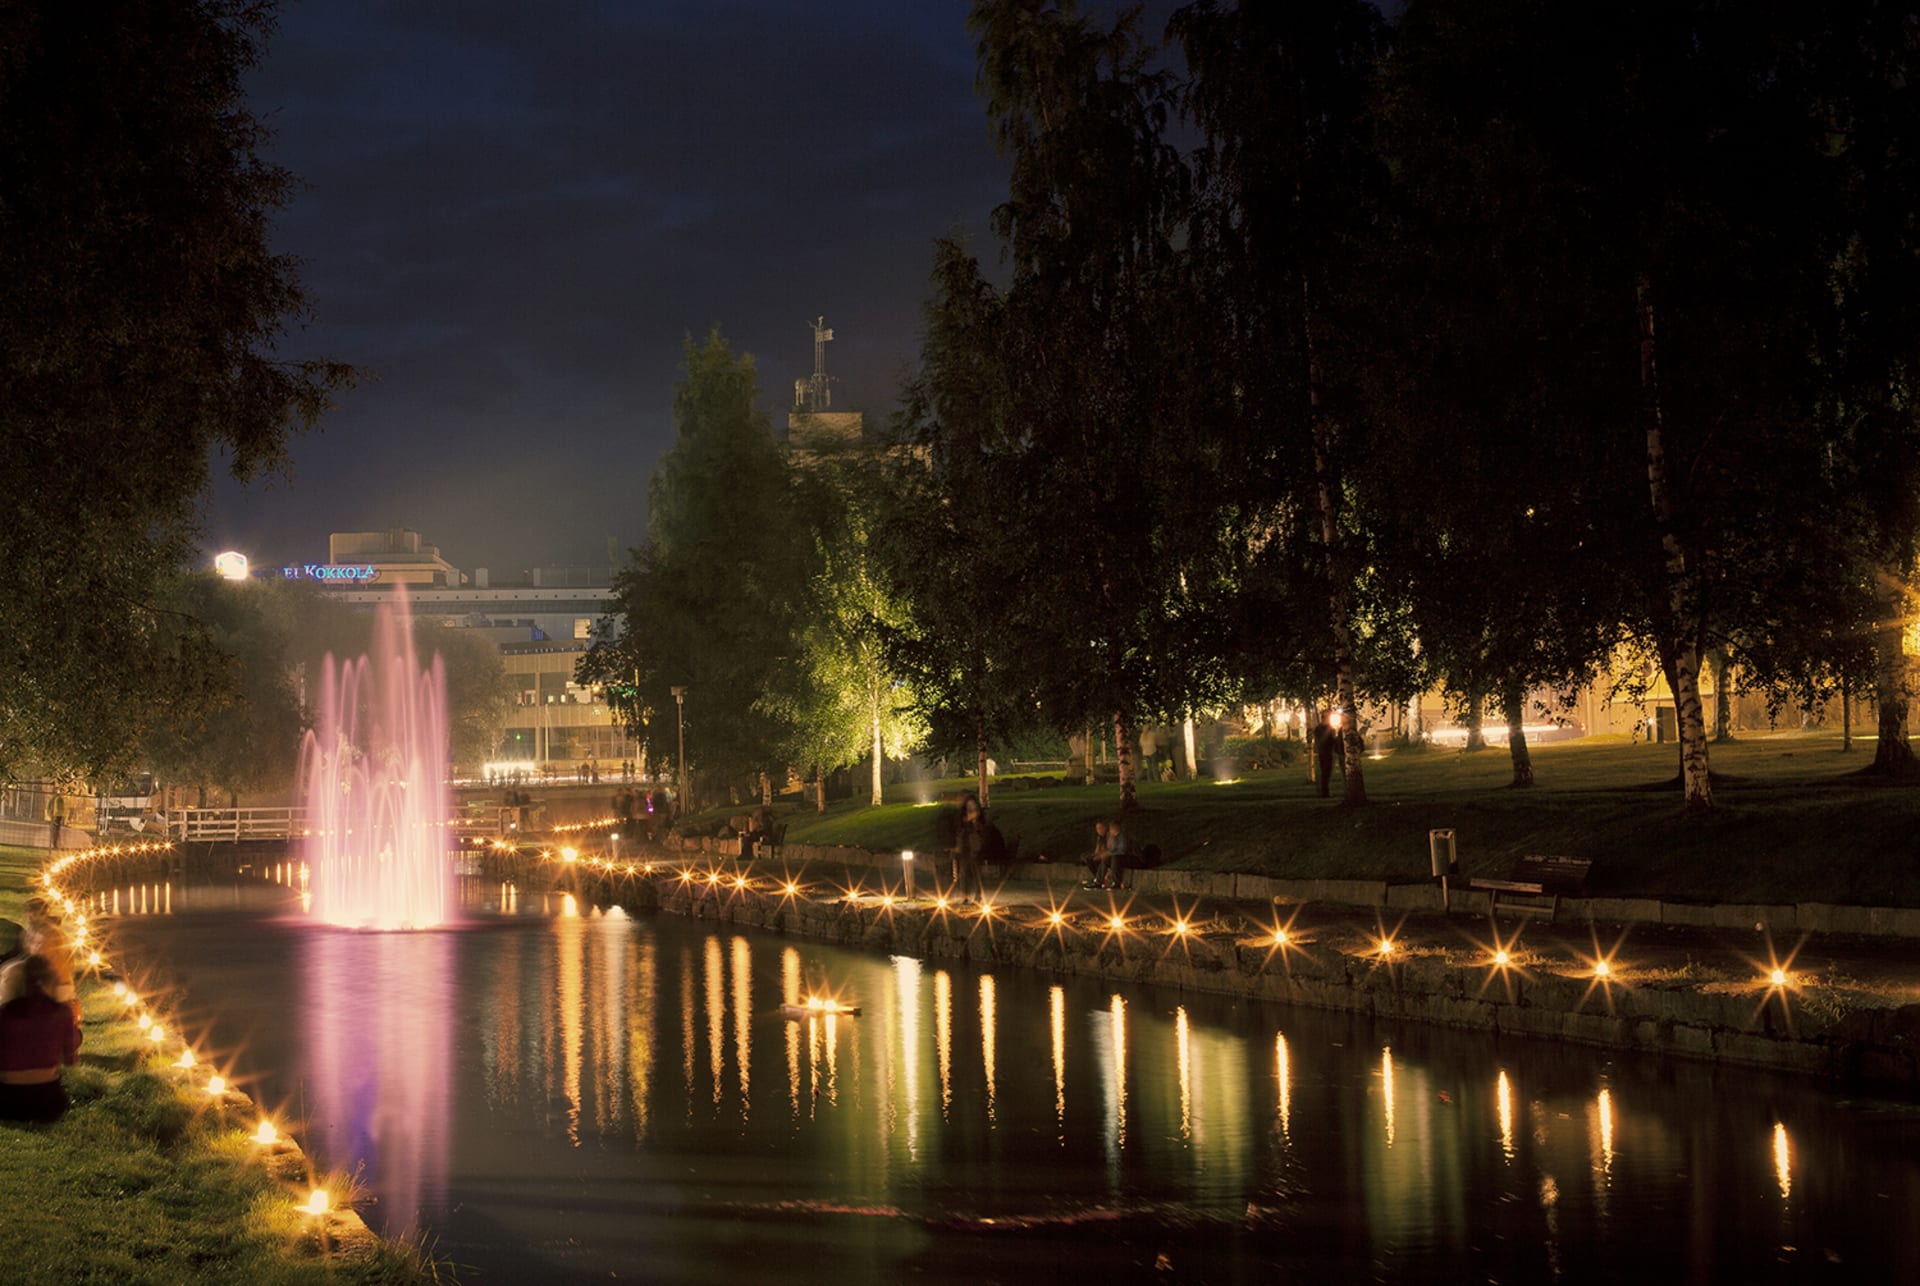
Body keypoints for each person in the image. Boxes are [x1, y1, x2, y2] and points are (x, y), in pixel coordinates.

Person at [0, 955, 82, 1123]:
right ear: (51, 981)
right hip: (49, 1103)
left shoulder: (5, 1014)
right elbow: (71, 1060)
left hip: (7, 1102)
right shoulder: (62, 1012)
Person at [950, 795, 987, 902]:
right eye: (968, 805)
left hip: (977, 848)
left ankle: (978, 896)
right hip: (965, 848)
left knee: (977, 874)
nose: (971, 807)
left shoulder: (980, 818)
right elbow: (959, 831)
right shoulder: (962, 818)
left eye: (972, 805)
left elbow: (984, 830)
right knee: (964, 873)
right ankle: (965, 896)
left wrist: (975, 821)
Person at [1100, 820, 1131, 889]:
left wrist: (1110, 853)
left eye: (1110, 829)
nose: (1110, 831)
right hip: (1119, 856)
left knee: (1115, 858)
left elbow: (1122, 851)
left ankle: (1116, 882)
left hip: (1129, 857)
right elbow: (1112, 849)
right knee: (1105, 859)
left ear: (1114, 828)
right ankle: (1099, 881)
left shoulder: (1122, 837)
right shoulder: (1115, 837)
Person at [1083, 820, 1110, 888]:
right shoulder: (1100, 838)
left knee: (1096, 860)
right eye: (1097, 828)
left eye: (1100, 828)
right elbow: (1097, 851)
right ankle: (1098, 878)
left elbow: (1110, 850)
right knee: (1088, 858)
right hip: (1101, 855)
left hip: (1107, 856)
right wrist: (1094, 855)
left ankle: (1099, 880)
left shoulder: (1109, 836)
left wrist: (1100, 856)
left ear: (1105, 828)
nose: (1099, 830)